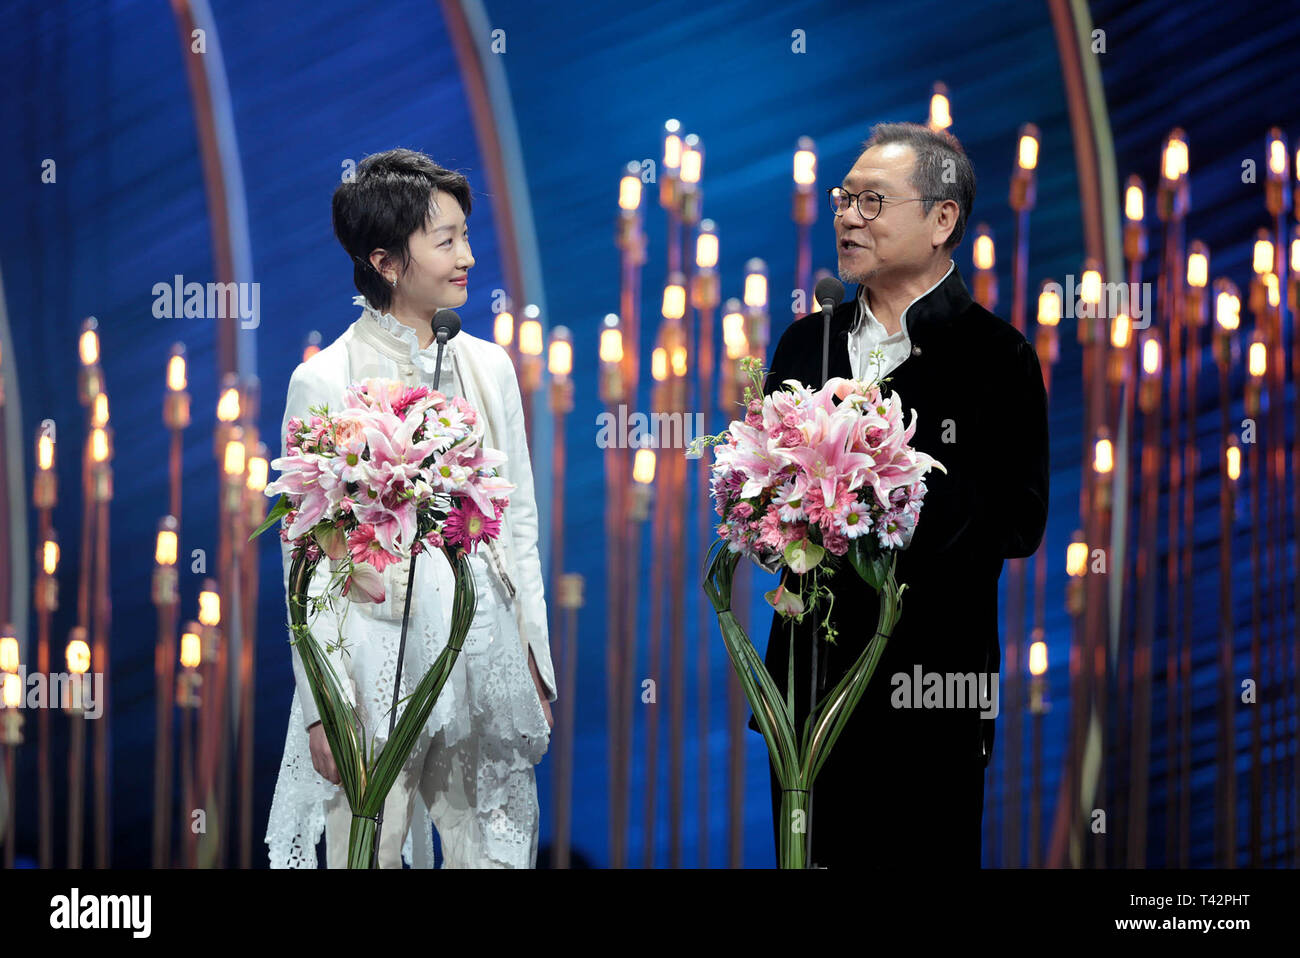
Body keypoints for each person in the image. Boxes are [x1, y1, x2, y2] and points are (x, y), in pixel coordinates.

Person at [753, 122, 1049, 868]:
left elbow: (1019, 521)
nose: (848, 217)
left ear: (942, 220)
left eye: (871, 201)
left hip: (931, 696)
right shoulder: (804, 345)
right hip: (807, 692)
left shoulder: (996, 355)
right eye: (843, 199)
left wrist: (889, 478)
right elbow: (764, 505)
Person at [264, 148, 556, 868]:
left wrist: (533, 663)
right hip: (370, 657)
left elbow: (517, 527)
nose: (468, 258)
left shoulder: (487, 367)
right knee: (372, 845)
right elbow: (306, 561)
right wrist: (320, 707)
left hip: (478, 647)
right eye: (447, 240)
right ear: (387, 262)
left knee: (482, 846)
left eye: (466, 235)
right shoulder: (323, 378)